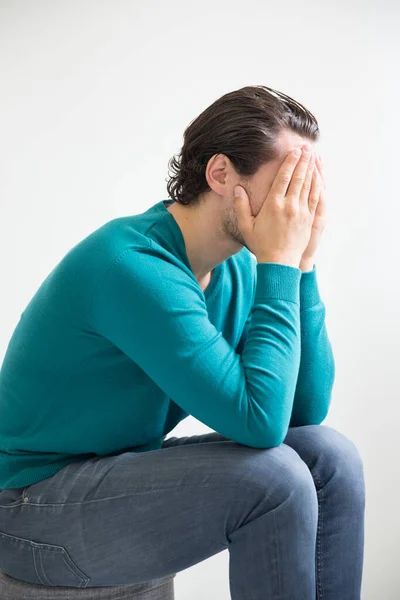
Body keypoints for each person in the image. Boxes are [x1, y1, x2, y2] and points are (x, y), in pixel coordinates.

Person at [0, 85, 365, 598]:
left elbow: (303, 411)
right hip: (32, 510)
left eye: (307, 186)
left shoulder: (237, 269)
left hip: (112, 475)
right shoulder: (132, 266)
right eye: (286, 182)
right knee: (274, 479)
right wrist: (280, 265)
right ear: (220, 174)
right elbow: (260, 425)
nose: (297, 207)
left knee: (330, 456)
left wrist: (301, 265)